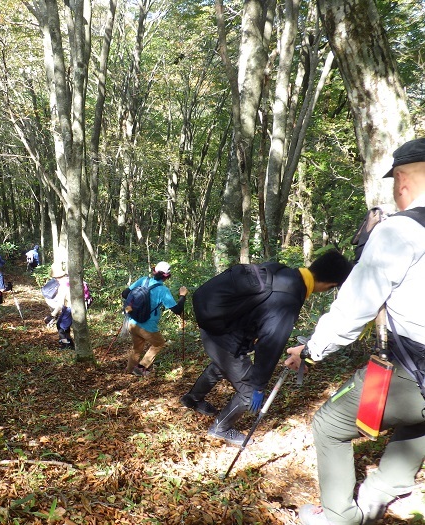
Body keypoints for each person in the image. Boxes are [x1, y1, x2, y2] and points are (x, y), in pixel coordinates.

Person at [286, 138, 425, 525]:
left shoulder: (401, 231)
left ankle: (338, 516)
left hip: (410, 367)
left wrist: (312, 349)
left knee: (329, 425)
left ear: (401, 180)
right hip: (417, 372)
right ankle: (390, 483)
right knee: (418, 415)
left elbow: (354, 308)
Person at [181, 250, 352, 446]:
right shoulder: (289, 298)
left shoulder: (281, 270)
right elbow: (270, 344)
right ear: (331, 286)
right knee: (247, 392)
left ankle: (192, 399)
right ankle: (221, 427)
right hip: (223, 336)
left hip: (215, 325)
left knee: (222, 365)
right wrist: (259, 385)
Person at [122, 262, 187, 377]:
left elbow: (125, 293)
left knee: (137, 348)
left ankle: (129, 371)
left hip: (132, 322)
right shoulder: (163, 291)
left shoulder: (143, 280)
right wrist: (182, 296)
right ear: (167, 276)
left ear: (154, 271)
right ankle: (141, 368)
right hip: (147, 326)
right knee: (159, 343)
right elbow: (177, 310)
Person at [43, 261, 73, 349]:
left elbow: (60, 303)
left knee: (61, 327)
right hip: (70, 306)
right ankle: (68, 343)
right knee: (63, 326)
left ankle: (67, 345)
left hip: (70, 307)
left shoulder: (63, 285)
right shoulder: (69, 279)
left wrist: (52, 315)